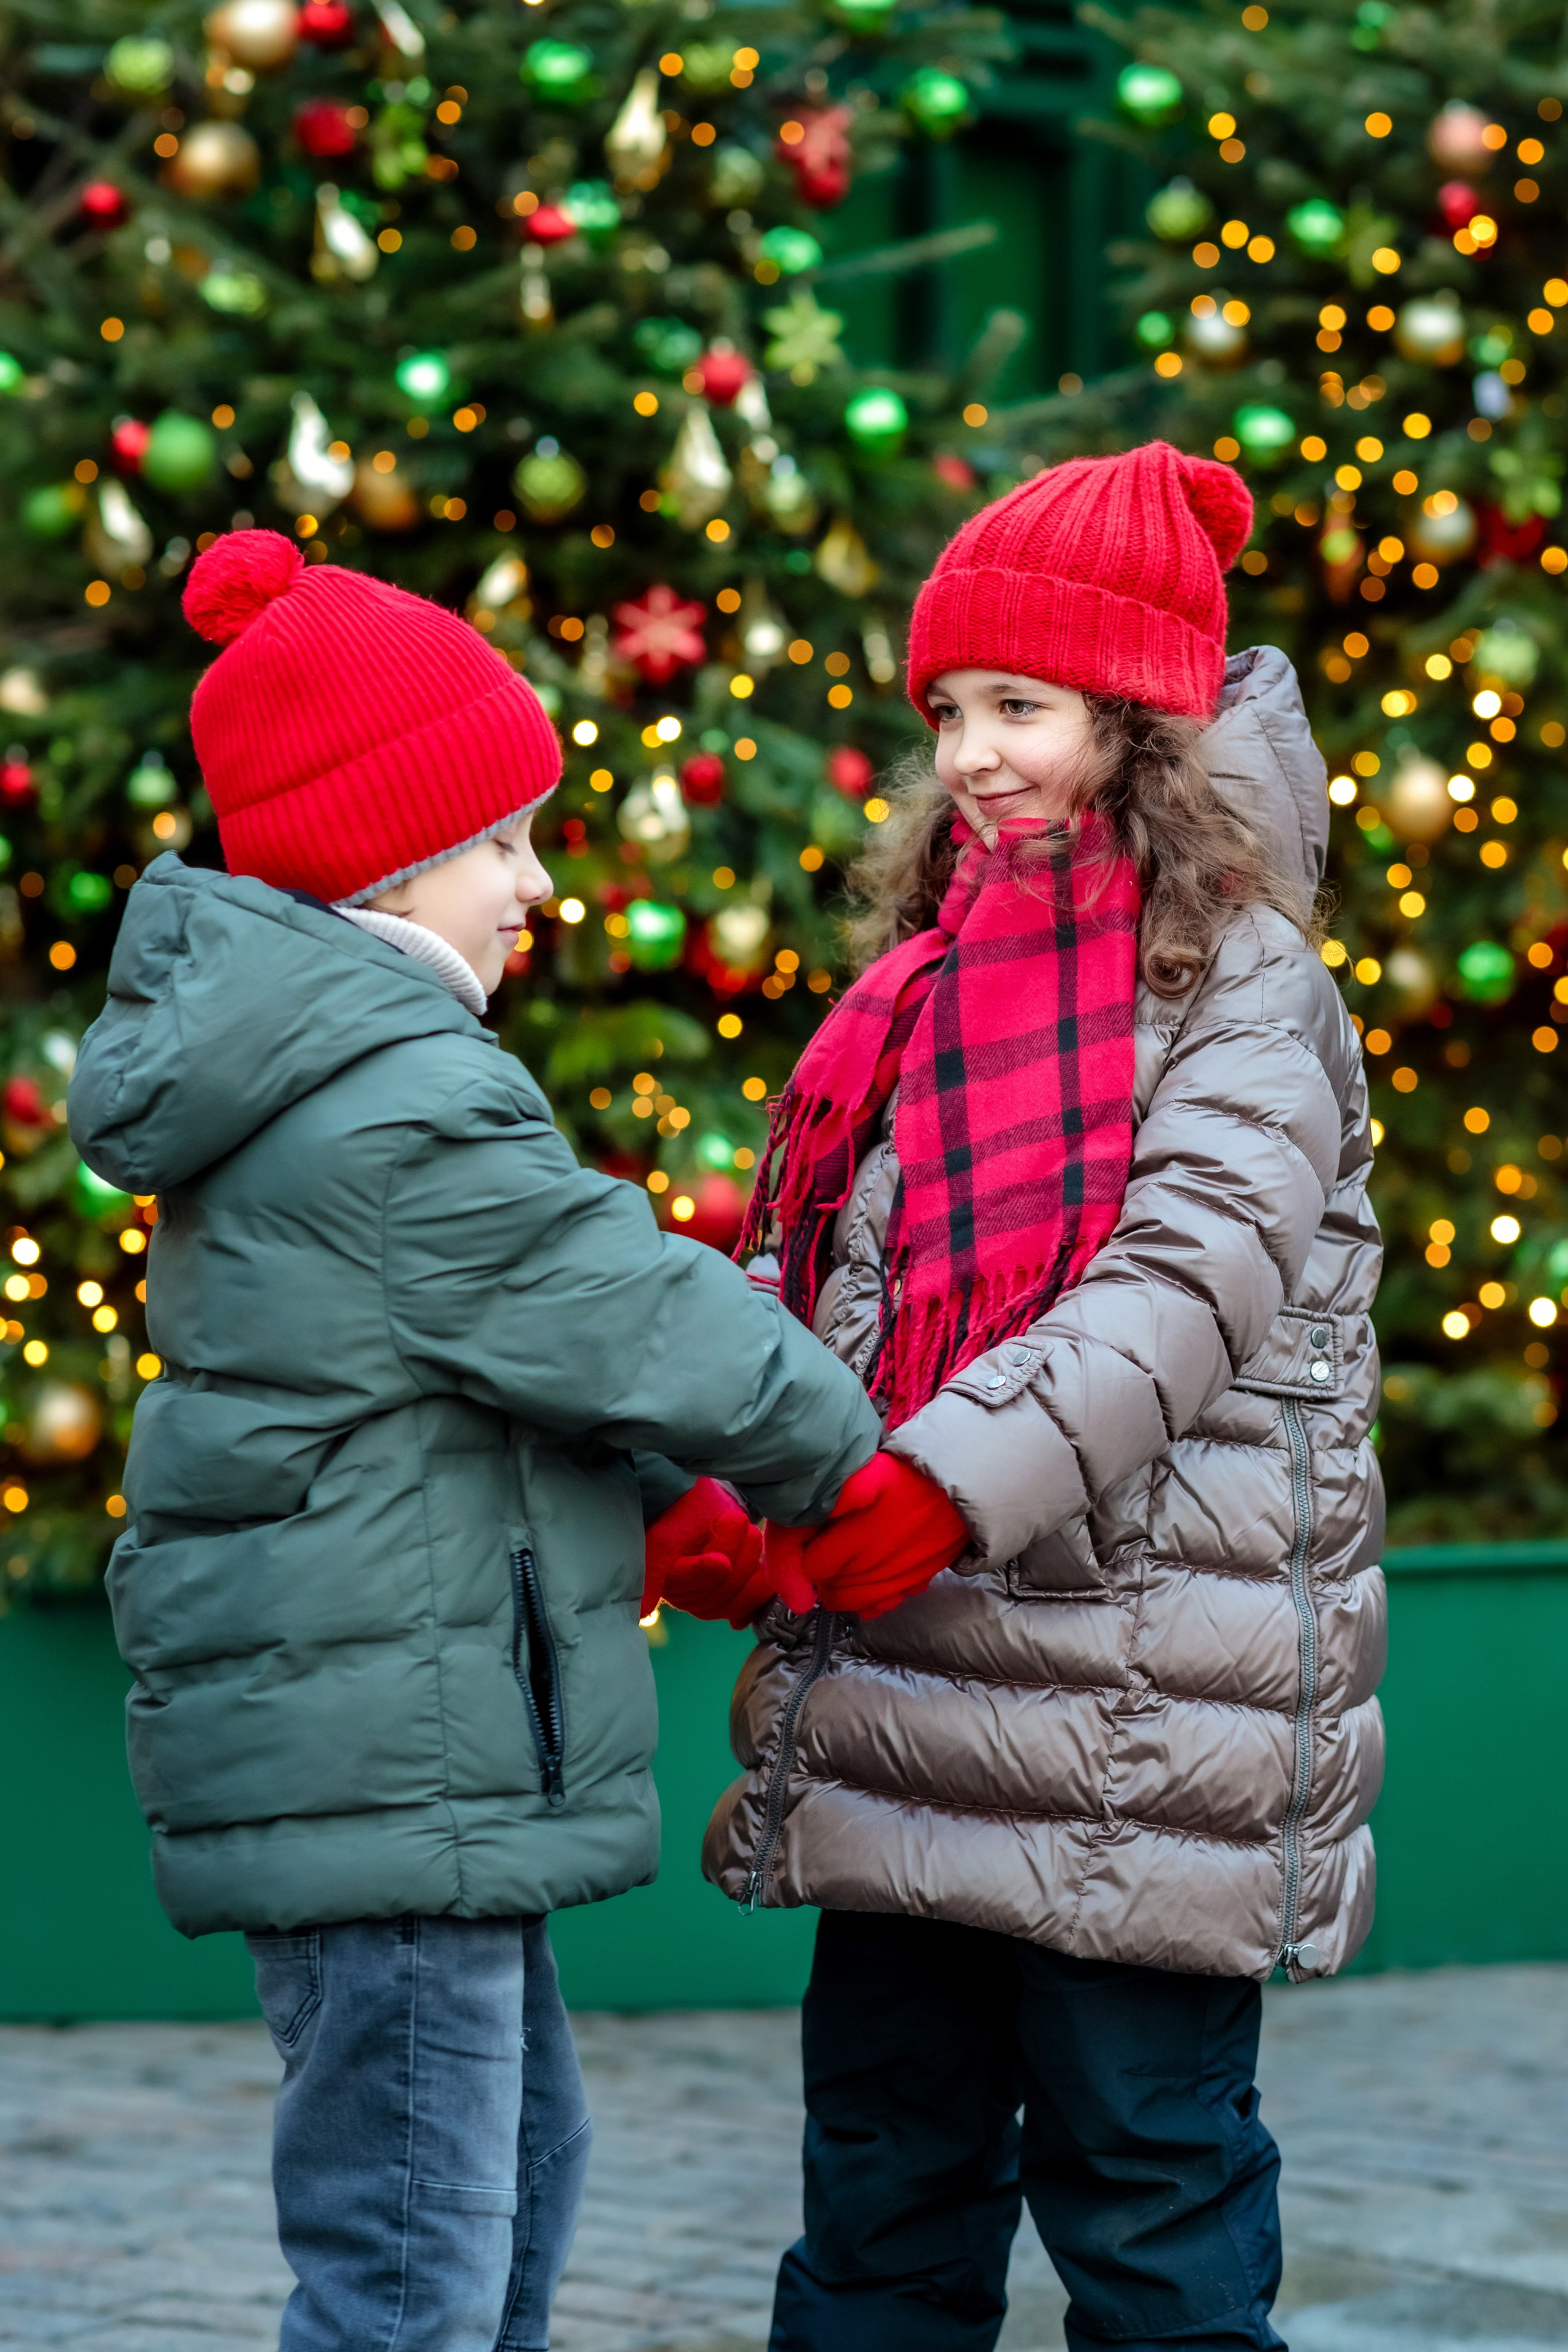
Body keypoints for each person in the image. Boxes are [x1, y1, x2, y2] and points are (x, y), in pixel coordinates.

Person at [68, 529, 882, 2352]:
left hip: (409, 1760)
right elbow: (624, 1307)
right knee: (414, 2252)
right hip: (393, 1770)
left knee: (504, 2182)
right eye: (505, 843)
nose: (537, 885)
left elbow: (486, 1362)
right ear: (390, 857)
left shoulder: (332, 1078)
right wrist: (853, 1460)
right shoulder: (399, 1102)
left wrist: (663, 1502)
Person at [704, 442, 1385, 2352]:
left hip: (1141, 1707)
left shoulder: (1245, 987)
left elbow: (1179, 1288)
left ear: (1141, 724)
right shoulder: (923, 984)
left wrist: (930, 1483)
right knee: (883, 2198)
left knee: (1150, 2200)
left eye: (1020, 707)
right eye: (948, 713)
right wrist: (733, 1459)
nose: (972, 756)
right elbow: (822, 1268)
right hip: (907, 1687)